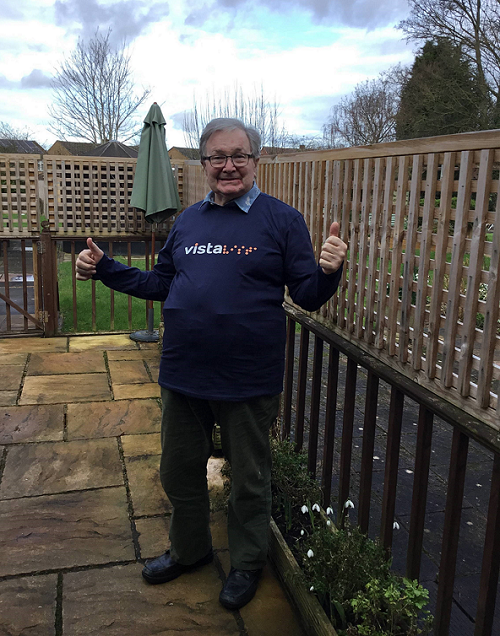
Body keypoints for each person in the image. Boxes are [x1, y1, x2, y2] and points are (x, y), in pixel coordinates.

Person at [75, 117, 347, 611]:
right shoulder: (188, 221)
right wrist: (105, 269)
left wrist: (330, 272)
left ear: (255, 161)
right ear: (204, 165)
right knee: (179, 473)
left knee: (248, 479)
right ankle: (190, 551)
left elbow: (307, 294)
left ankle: (246, 563)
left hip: (248, 379)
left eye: (239, 155)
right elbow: (162, 284)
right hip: (184, 373)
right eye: (218, 157)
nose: (228, 166)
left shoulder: (282, 219)